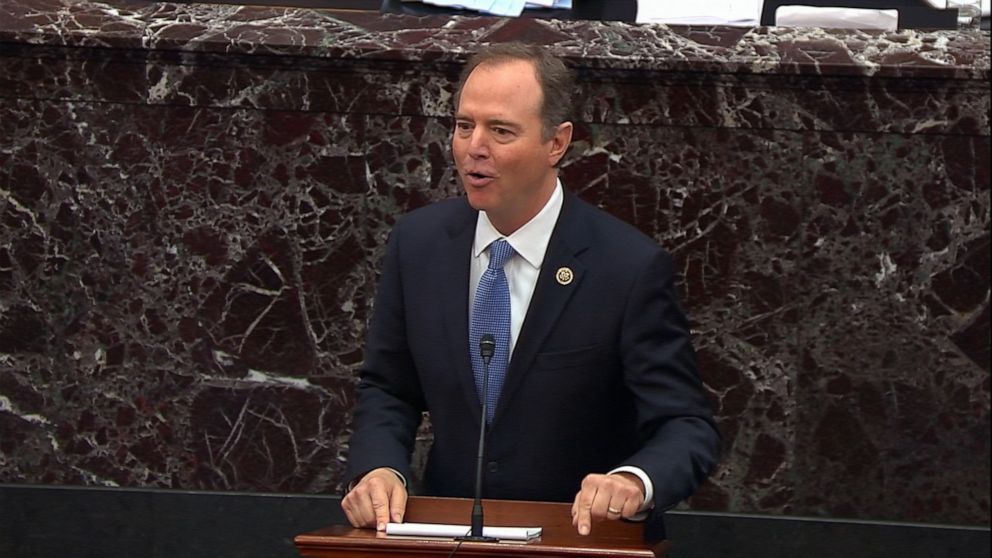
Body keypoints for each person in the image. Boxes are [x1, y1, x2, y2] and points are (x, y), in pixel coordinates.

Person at [341, 42, 719, 540]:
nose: (475, 147)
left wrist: (634, 481)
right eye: (463, 126)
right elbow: (389, 387)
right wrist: (380, 469)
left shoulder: (626, 267)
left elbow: (686, 424)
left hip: (579, 541)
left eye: (500, 131)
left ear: (556, 143)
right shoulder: (419, 245)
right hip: (446, 538)